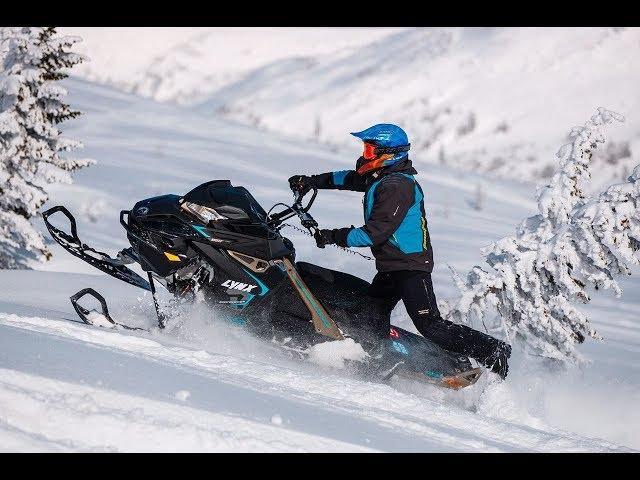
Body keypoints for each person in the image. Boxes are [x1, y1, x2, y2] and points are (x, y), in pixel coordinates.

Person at [288, 123, 511, 378]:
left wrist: (333, 236)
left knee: (430, 325)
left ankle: (496, 353)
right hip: (391, 266)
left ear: (389, 153)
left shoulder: (397, 186)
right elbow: (348, 178)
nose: (365, 154)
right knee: (371, 315)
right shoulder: (381, 177)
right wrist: (312, 182)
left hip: (410, 267)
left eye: (371, 150)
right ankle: (379, 361)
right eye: (366, 148)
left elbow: (375, 232)